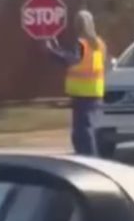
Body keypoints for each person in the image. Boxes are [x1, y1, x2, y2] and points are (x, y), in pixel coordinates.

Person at [43, 9, 108, 156]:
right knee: (86, 130)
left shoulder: (81, 44)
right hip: (95, 92)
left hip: (83, 94)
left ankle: (89, 160)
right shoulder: (99, 44)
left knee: (82, 132)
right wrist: (57, 48)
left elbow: (71, 60)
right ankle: (89, 158)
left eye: (78, 23)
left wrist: (51, 51)